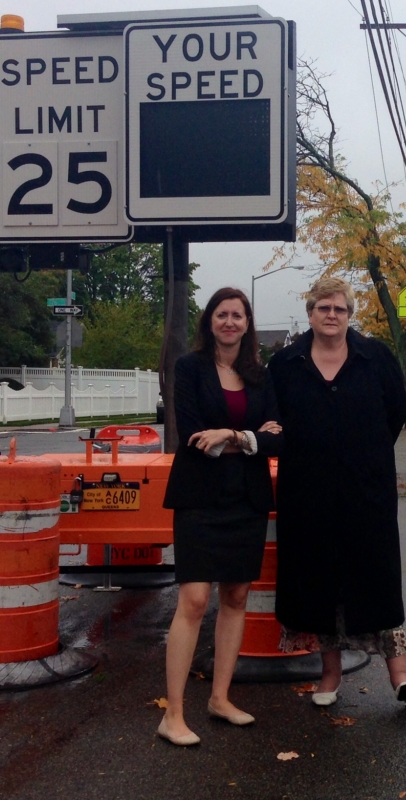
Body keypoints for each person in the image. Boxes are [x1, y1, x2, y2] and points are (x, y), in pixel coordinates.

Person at [268, 277, 406, 707]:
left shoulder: (376, 357)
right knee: (319, 583)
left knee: (377, 577)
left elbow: (396, 412)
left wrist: (367, 453)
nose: (331, 315)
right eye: (323, 307)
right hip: (307, 492)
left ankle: (400, 673)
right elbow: (275, 419)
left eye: (339, 308)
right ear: (310, 313)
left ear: (349, 315)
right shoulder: (286, 364)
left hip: (366, 490)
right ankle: (329, 674)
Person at [159, 287, 283, 746]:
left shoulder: (260, 376)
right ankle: (173, 714)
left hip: (246, 498)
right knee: (193, 600)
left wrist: (229, 435)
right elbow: (194, 437)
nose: (230, 322)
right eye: (222, 314)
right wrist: (249, 437)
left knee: (236, 596)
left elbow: (278, 437)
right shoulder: (189, 368)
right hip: (199, 497)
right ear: (209, 321)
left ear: (248, 324)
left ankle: (220, 698)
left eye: (238, 315)